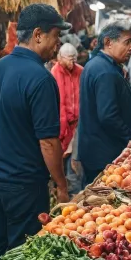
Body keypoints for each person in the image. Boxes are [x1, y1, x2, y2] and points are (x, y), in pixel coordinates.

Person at [0, 4, 70, 260]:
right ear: (39, 34)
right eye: (56, 36)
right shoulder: (40, 79)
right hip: (23, 184)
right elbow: (48, 142)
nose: (58, 44)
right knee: (24, 255)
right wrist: (62, 185)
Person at [76, 25, 131, 186]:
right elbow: (108, 116)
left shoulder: (96, 65)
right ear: (108, 42)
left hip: (94, 149)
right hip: (104, 153)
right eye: (127, 42)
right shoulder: (106, 72)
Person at [51, 42, 83, 195]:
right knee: (58, 168)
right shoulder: (53, 73)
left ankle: (74, 196)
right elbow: (58, 106)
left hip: (77, 128)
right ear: (60, 58)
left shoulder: (81, 72)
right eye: (70, 59)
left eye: (75, 59)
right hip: (59, 129)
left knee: (74, 168)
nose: (73, 62)